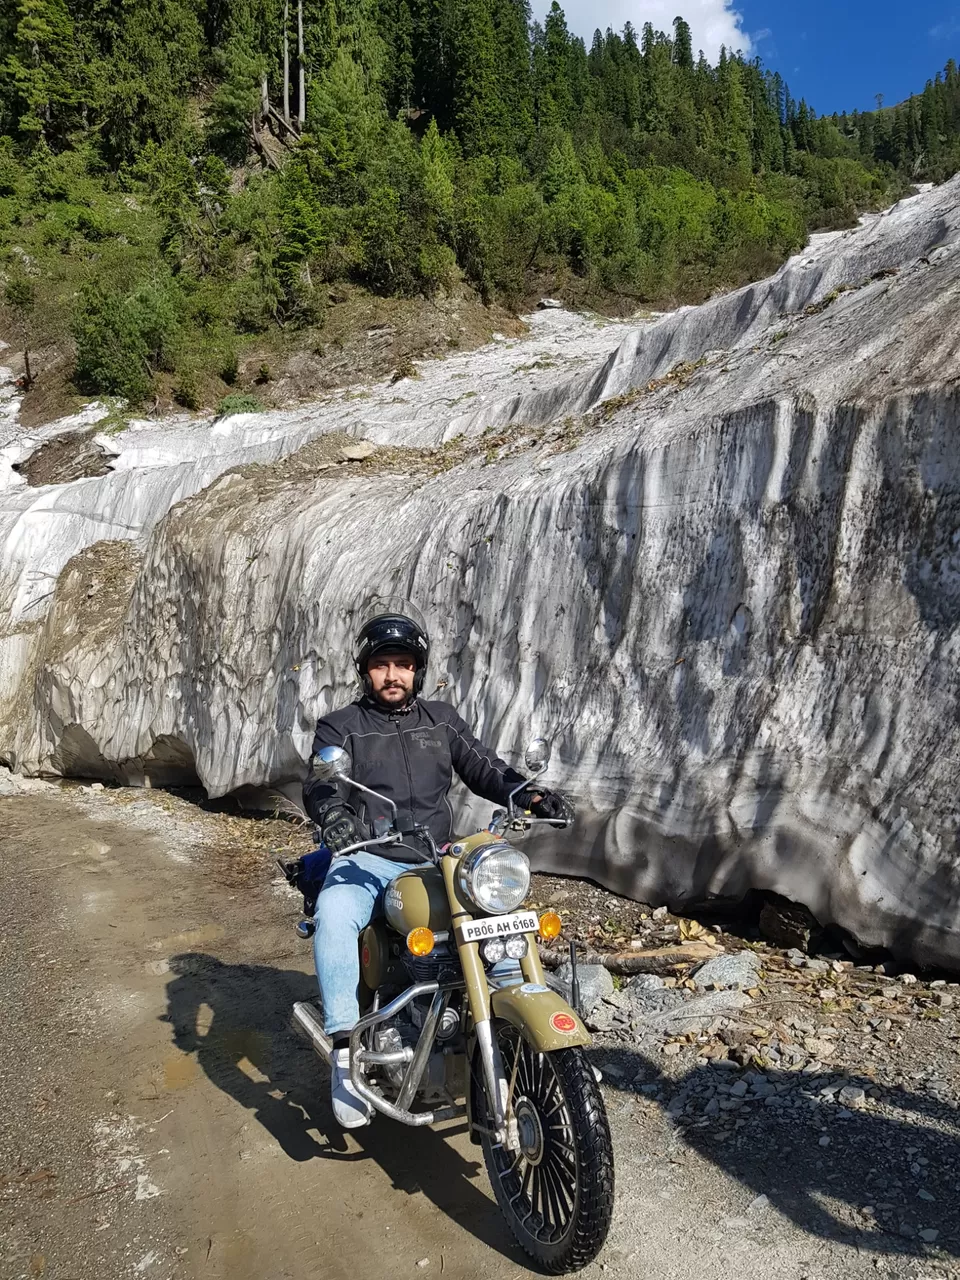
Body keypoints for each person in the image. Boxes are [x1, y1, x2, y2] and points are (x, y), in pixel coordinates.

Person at [303, 604, 567, 1128]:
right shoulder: (341, 726)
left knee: (498, 923)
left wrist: (528, 793)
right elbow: (322, 782)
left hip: (436, 857)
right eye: (382, 664)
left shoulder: (441, 721)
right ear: (365, 670)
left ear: (418, 670)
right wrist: (334, 815)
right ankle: (343, 1050)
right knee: (334, 911)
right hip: (367, 857)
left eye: (403, 664)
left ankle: (523, 1032)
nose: (393, 675)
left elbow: (485, 767)